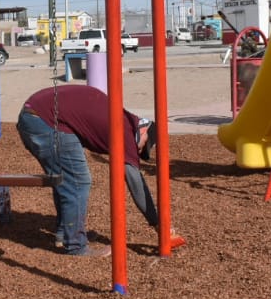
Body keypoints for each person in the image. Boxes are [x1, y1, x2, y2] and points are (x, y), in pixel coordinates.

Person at [16, 85, 176, 257]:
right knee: (78, 182)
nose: (139, 151)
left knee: (66, 179)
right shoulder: (126, 132)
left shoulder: (119, 116)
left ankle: (65, 233)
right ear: (144, 130)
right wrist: (158, 223)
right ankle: (75, 245)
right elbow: (136, 184)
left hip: (34, 114)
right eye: (144, 146)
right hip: (45, 120)